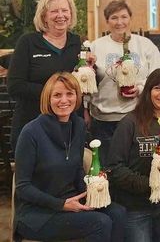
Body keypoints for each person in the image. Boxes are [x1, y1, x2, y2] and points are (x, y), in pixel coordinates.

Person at [13, 72, 126, 241]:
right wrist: (61, 205)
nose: (64, 100)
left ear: (77, 96)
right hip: (37, 214)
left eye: (69, 94)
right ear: (47, 98)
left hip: (71, 199)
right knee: (100, 222)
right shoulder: (31, 132)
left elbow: (77, 170)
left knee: (118, 213)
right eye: (57, 95)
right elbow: (23, 187)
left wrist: (91, 190)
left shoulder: (78, 125)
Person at [107, 68, 160, 242]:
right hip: (136, 207)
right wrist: (152, 184)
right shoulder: (130, 123)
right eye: (157, 88)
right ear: (148, 91)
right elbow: (114, 168)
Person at [88, 0, 160, 164]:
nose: (119, 22)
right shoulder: (96, 47)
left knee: (134, 165)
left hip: (138, 118)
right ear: (107, 21)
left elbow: (159, 77)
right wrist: (85, 108)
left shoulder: (145, 45)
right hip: (104, 121)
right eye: (114, 17)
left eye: (124, 17)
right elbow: (87, 81)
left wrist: (141, 88)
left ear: (130, 18)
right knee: (107, 167)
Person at [8, 0, 88, 149]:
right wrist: (54, 93)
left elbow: (83, 84)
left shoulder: (77, 43)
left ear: (71, 14)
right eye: (54, 11)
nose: (61, 15)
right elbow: (15, 86)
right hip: (32, 125)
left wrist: (91, 70)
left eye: (65, 10)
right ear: (44, 16)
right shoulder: (28, 43)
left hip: (68, 126)